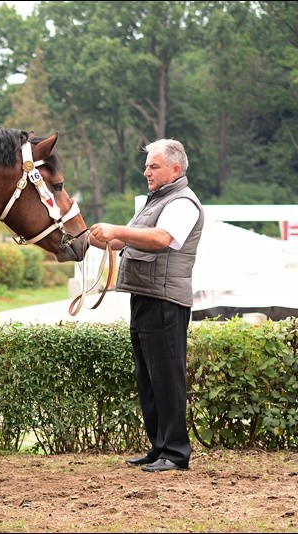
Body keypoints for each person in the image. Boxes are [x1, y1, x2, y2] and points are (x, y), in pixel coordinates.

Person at [88, 138, 204, 473]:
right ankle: (159, 448)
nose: (146, 172)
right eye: (147, 165)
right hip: (146, 297)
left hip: (166, 300)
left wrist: (116, 229)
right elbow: (123, 240)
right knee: (149, 378)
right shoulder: (158, 200)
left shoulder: (182, 202)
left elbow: (162, 239)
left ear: (175, 169)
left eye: (153, 166)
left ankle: (176, 452)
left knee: (167, 377)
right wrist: (88, 237)